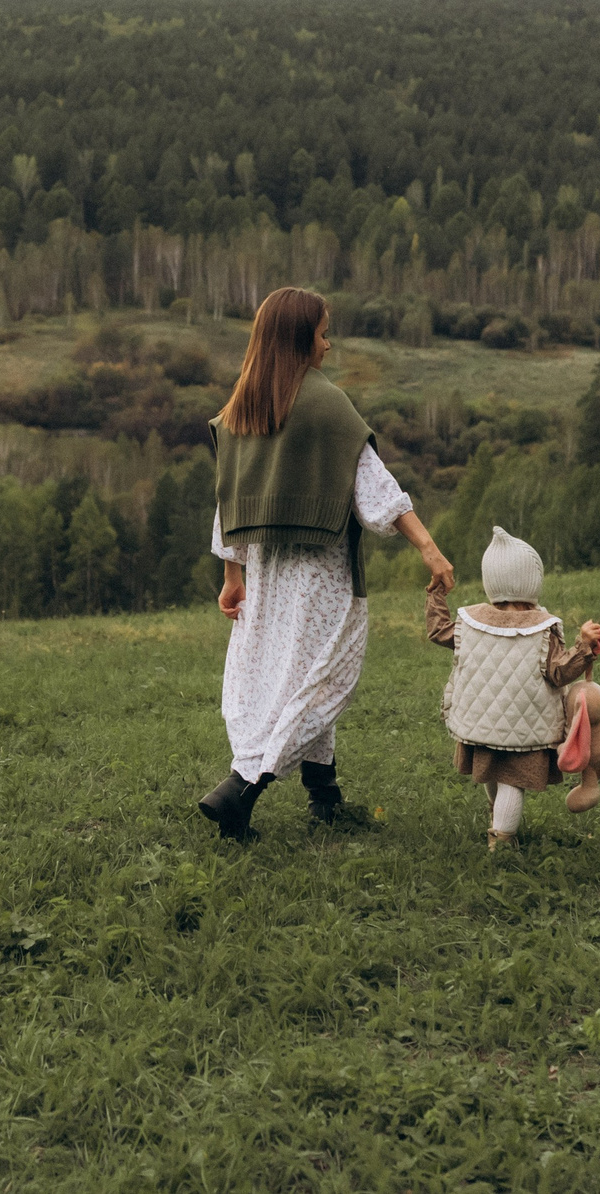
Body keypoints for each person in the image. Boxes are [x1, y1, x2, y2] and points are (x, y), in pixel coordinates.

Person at [198, 287, 454, 841]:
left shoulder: (241, 407)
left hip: (264, 576)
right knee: (322, 682)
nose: (328, 344)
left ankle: (325, 798)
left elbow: (228, 502)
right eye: (320, 333)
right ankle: (240, 790)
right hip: (320, 576)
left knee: (288, 679)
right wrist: (430, 551)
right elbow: (376, 490)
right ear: (298, 339)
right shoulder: (325, 404)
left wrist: (232, 576)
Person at [427, 526, 600, 849]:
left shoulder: (470, 621)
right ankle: (502, 842)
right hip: (524, 727)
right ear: (533, 582)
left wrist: (435, 595)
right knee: (512, 782)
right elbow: (560, 673)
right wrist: (583, 646)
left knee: (490, 770)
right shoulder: (543, 630)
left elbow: (438, 631)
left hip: (479, 721)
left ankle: (497, 820)